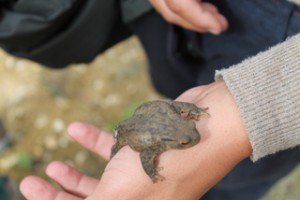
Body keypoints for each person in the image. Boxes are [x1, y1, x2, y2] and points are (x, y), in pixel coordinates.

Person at [2, 0, 300, 199]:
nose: (193, 136)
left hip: (272, 26)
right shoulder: (157, 143)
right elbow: (147, 154)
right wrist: (153, 174)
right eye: (186, 140)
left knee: (240, 176)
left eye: (187, 138)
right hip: (147, 114)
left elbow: (180, 109)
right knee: (171, 72)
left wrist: (229, 115)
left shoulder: (181, 127)